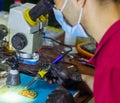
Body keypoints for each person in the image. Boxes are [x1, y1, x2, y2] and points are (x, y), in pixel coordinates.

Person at [44, 0, 120, 103]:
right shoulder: (112, 40)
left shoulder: (113, 59)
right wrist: (80, 80)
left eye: (54, 1)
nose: (55, 8)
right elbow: (115, 87)